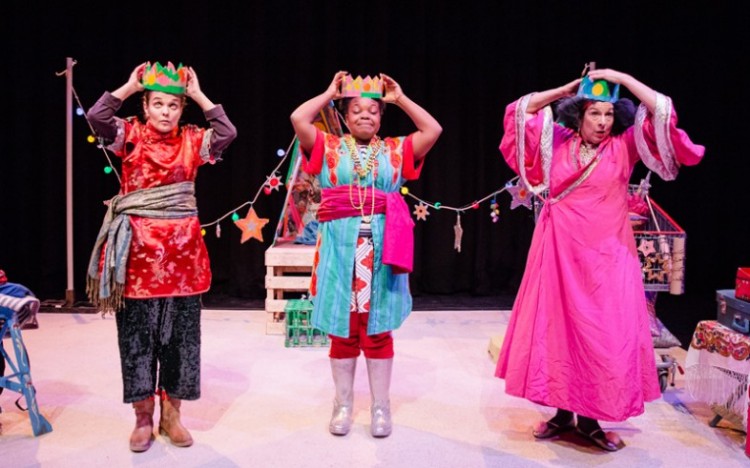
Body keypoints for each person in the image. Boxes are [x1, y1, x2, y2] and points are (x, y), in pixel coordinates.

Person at [495, 64, 704, 451]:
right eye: (595, 112)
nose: (604, 121)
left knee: (600, 335)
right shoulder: (555, 140)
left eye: (609, 113)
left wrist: (623, 81)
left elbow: (661, 112)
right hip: (558, 250)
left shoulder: (624, 146)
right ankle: (561, 414)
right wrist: (565, 89)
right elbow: (519, 113)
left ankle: (590, 418)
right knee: (556, 331)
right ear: (579, 114)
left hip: (606, 257)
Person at [85, 61, 237, 452]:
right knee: (137, 338)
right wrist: (129, 86)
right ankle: (142, 417)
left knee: (181, 339)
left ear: (181, 108)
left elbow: (227, 132)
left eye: (173, 105)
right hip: (137, 255)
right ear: (146, 107)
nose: (166, 112)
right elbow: (98, 116)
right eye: (157, 104)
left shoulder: (192, 139)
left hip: (183, 255)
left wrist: (198, 94)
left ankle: (173, 416)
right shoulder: (129, 135)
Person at [290, 71, 441, 437]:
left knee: (377, 331)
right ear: (344, 115)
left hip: (381, 251)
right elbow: (298, 118)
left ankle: (380, 406)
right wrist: (328, 93)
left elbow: (433, 130)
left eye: (373, 111)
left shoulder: (393, 149)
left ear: (381, 116)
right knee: (343, 332)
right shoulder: (328, 146)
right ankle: (342, 404)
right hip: (339, 251)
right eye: (356, 109)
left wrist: (400, 98)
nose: (365, 116)